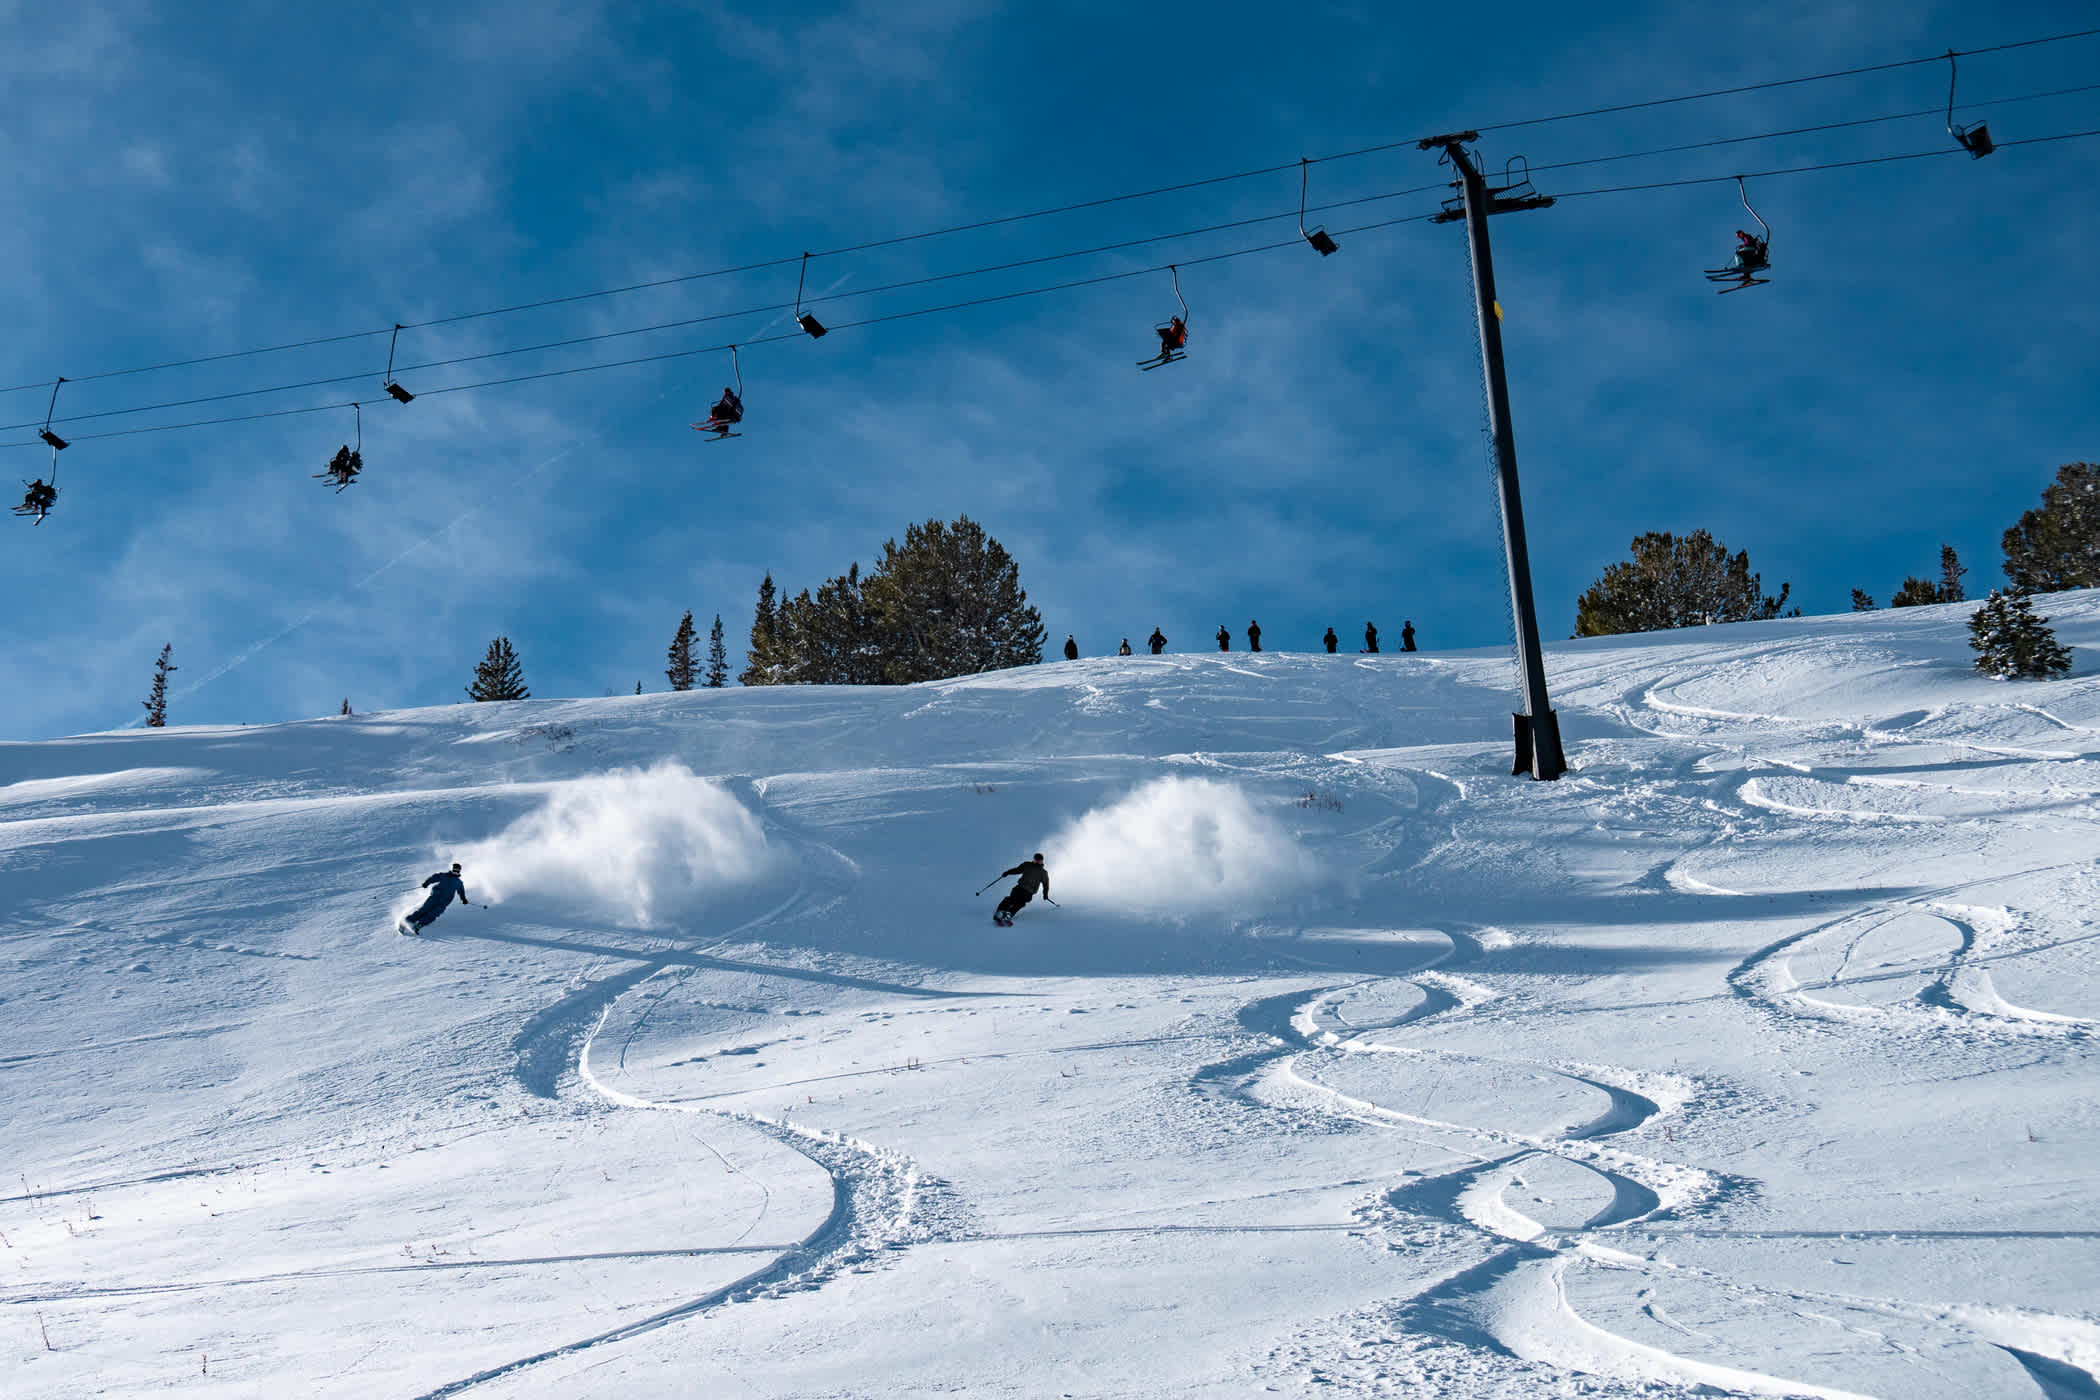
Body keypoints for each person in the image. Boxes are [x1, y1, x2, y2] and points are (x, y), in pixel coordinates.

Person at [401, 862, 471, 935]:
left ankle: (420, 924)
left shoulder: (458, 882)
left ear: (459, 871)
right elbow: (434, 878)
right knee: (424, 910)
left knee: (434, 914)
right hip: (435, 897)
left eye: (457, 871)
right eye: (454, 870)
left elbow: (461, 891)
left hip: (444, 902)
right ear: (452, 869)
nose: (455, 872)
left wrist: (463, 899)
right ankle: (407, 921)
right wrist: (426, 883)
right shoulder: (444, 876)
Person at [991, 853, 1050, 926]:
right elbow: (1017, 870)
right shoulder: (1027, 865)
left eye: (1039, 860)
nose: (1037, 862)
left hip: (1029, 892)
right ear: (1034, 859)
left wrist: (1045, 894)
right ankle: (999, 913)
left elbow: (1046, 885)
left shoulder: (1043, 873)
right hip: (1020, 888)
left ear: (1042, 861)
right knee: (1011, 899)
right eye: (1036, 860)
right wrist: (1008, 872)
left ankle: (1008, 915)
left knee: (1020, 904)